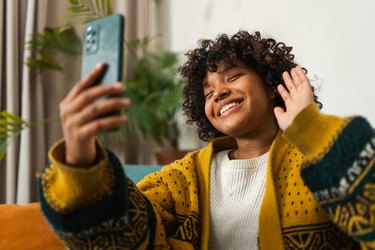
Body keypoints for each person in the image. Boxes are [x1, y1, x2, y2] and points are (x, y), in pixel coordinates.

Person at [38, 30, 375, 249]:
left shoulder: (319, 157)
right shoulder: (181, 178)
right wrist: (81, 161)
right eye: (208, 92)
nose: (219, 93)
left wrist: (309, 128)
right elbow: (123, 234)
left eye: (234, 76)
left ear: (271, 84)